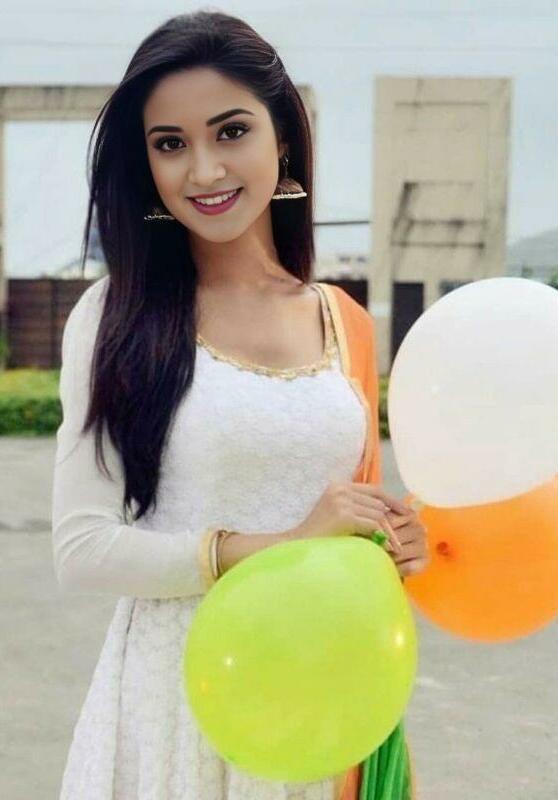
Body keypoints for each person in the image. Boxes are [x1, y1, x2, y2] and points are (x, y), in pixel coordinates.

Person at [51, 10, 428, 800]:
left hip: (319, 689)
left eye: (231, 131)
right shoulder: (117, 316)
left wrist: (393, 541)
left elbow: (349, 514)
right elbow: (83, 548)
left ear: (281, 135)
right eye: (170, 144)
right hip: (180, 693)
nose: (204, 170)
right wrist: (280, 544)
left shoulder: (343, 321)